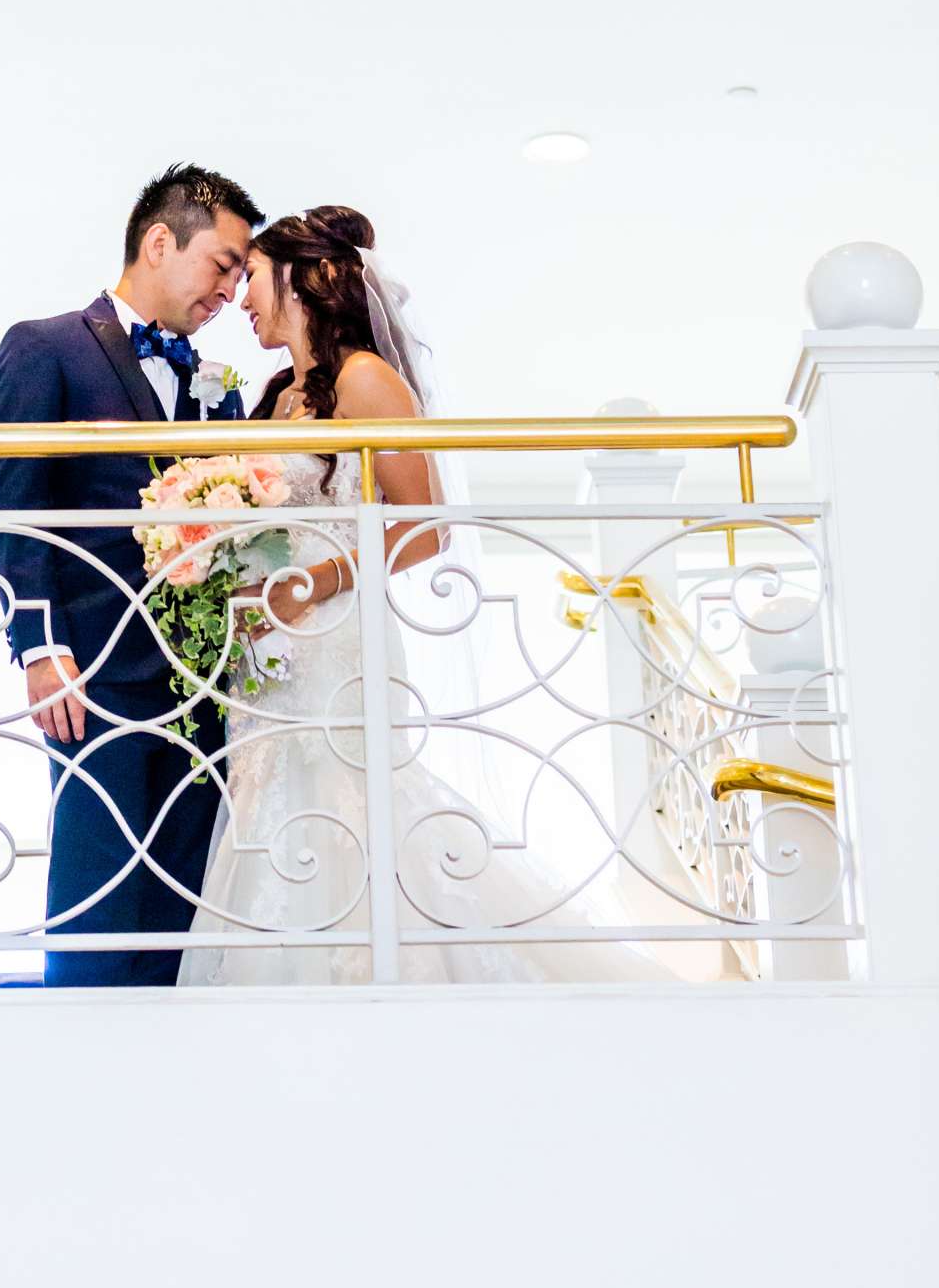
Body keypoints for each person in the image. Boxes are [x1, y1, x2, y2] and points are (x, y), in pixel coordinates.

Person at [178, 205, 659, 986]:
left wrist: (312, 583)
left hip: (332, 631)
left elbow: (423, 529)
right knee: (268, 800)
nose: (240, 296)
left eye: (252, 276)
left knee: (346, 790)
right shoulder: (276, 396)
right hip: (266, 649)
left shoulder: (369, 379)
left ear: (299, 277)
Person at [0, 161, 263, 986]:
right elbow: (15, 511)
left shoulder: (218, 391)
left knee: (184, 909)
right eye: (223, 266)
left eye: (242, 278)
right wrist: (39, 647)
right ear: (158, 240)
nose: (229, 293)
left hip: (200, 684)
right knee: (97, 901)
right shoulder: (46, 349)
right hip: (94, 672)